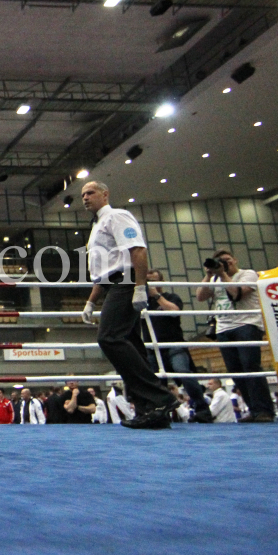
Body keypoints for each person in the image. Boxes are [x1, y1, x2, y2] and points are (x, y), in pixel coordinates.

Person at [80, 181, 179, 429]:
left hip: (126, 282)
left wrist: (139, 287)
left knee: (110, 338)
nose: (85, 197)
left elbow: (138, 251)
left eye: (90, 192)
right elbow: (103, 270)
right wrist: (91, 302)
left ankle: (160, 397)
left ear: (105, 194)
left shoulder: (117, 215)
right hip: (114, 284)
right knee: (133, 344)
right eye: (82, 194)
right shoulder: (97, 226)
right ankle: (152, 410)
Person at [195, 249, 275, 422]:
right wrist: (209, 275)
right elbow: (200, 296)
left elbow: (238, 294)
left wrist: (223, 274)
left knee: (250, 366)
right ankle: (254, 411)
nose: (225, 263)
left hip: (247, 324)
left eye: (227, 260)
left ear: (235, 260)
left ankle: (264, 411)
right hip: (223, 328)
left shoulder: (248, 274)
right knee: (235, 371)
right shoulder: (215, 279)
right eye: (220, 261)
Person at [142, 270, 213, 423]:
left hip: (174, 344)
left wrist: (156, 295)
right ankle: (160, 414)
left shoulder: (171, 297)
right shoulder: (140, 301)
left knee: (183, 371)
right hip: (153, 348)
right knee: (156, 382)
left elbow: (175, 312)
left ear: (161, 281)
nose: (151, 284)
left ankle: (202, 409)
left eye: (154, 280)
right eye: (148, 281)